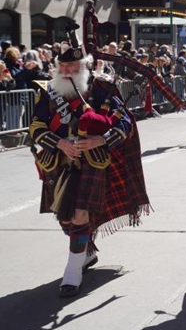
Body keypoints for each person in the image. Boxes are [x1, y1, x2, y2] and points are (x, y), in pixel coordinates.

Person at [29, 29, 150, 297]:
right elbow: (36, 127)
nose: (67, 70)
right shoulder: (48, 92)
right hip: (57, 160)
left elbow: (125, 123)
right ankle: (85, 253)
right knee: (65, 216)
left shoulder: (102, 88)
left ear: (84, 65)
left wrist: (101, 140)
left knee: (80, 213)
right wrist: (59, 143)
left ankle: (72, 273)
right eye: (63, 66)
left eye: (73, 65)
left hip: (93, 161)